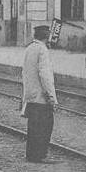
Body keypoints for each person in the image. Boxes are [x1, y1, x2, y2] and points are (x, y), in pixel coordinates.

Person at [22, 25, 59, 163]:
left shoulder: (29, 48)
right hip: (41, 97)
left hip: (31, 95)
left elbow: (24, 72)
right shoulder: (43, 50)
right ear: (46, 36)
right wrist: (51, 97)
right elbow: (45, 75)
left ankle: (31, 155)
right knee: (45, 127)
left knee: (33, 127)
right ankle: (40, 156)